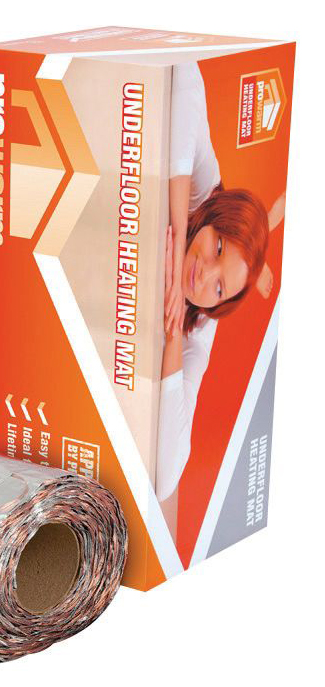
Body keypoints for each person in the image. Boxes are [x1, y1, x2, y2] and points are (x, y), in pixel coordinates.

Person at [156, 62, 284, 541]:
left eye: (219, 288)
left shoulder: (201, 327)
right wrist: (176, 241)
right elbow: (188, 74)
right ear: (215, 217)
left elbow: (168, 475)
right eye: (218, 247)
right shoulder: (205, 189)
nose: (203, 274)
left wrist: (174, 327)